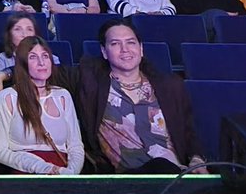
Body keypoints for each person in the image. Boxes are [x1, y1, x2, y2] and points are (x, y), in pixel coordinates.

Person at [76, 18, 206, 173]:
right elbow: (47, 70)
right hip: (127, 179)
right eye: (115, 44)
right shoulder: (91, 81)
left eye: (131, 42)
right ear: (104, 51)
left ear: (141, 49)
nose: (125, 49)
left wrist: (196, 159)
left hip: (174, 174)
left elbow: (188, 131)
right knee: (160, 167)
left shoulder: (170, 86)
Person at [0, 36, 84, 174]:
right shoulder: (7, 97)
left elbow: (75, 146)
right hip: (24, 171)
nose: (42, 63)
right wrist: (43, 168)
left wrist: (71, 173)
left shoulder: (63, 96)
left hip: (63, 171)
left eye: (45, 56)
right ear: (23, 63)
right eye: (33, 57)